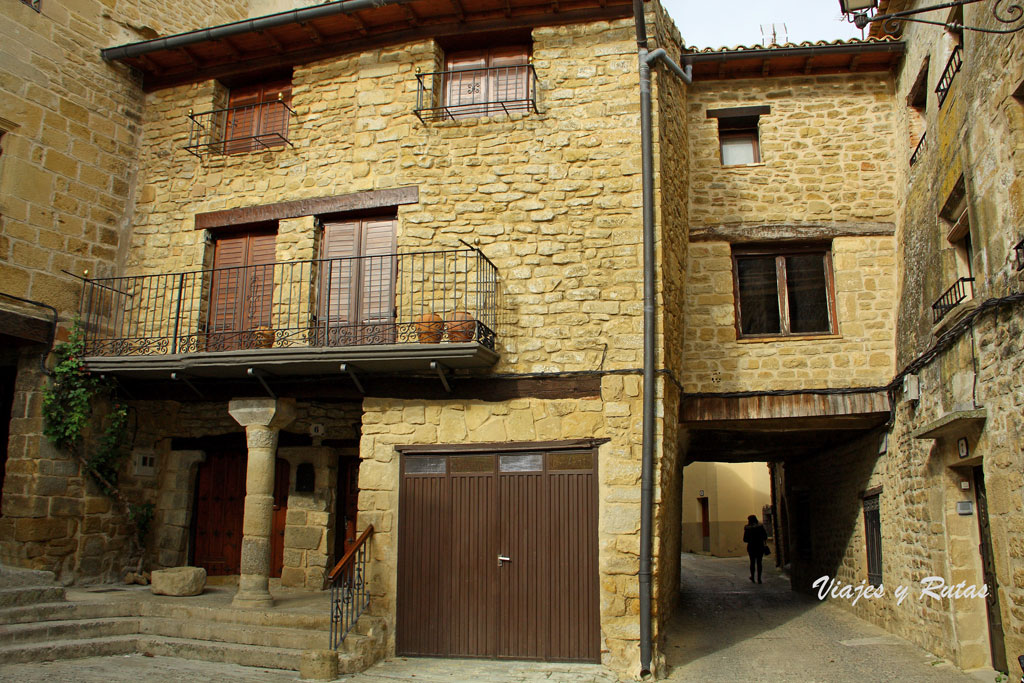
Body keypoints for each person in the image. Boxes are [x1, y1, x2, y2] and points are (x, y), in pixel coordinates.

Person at [743, 514, 768, 584]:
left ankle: (753, 577)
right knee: (759, 562)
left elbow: (745, 539)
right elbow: (765, 536)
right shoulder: (760, 526)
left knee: (752, 562)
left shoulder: (747, 528)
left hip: (751, 547)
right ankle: (759, 578)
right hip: (760, 546)